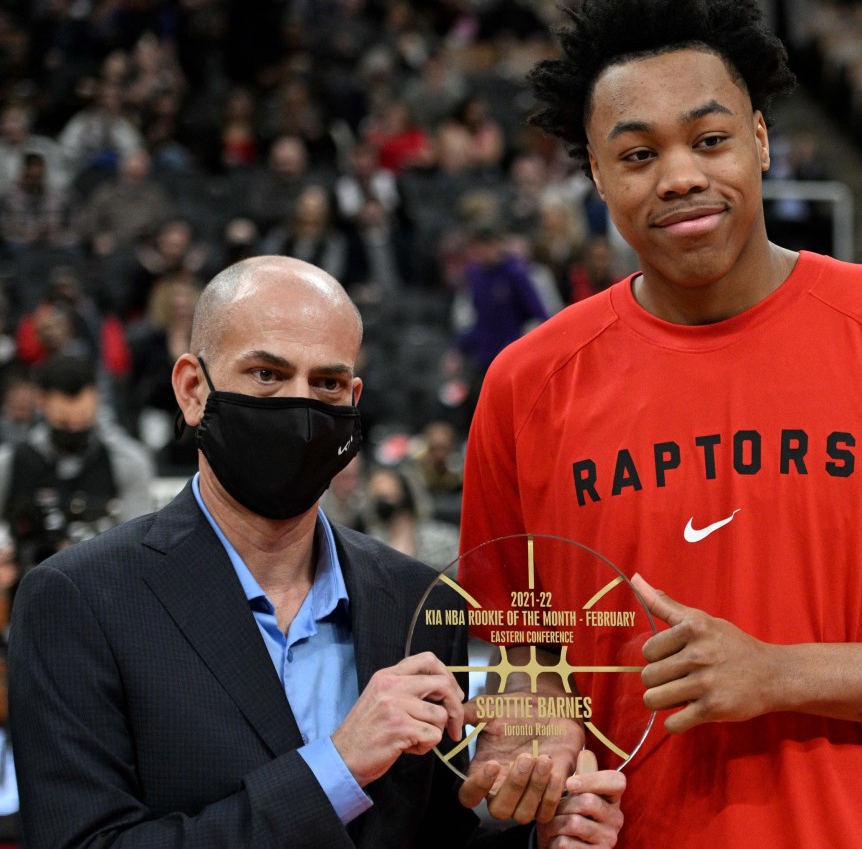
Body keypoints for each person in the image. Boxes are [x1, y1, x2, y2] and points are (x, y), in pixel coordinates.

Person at [457, 0, 862, 848]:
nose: (679, 176)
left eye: (708, 139)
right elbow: (522, 655)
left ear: (759, 139)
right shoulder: (527, 385)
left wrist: (781, 672)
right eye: (638, 155)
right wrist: (532, 731)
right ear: (597, 177)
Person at [7, 256, 624, 848]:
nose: (299, 406)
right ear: (194, 389)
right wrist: (335, 768)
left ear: (353, 400)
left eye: (326, 384)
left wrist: (546, 834)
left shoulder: (418, 599)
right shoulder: (79, 600)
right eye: (267, 375)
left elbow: (437, 836)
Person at [0, 353, 154, 578]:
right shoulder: (11, 463)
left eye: (82, 420)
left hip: (104, 584)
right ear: (41, 401)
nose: (74, 429)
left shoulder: (126, 461)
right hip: (27, 587)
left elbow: (139, 546)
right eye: (64, 422)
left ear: (97, 399)